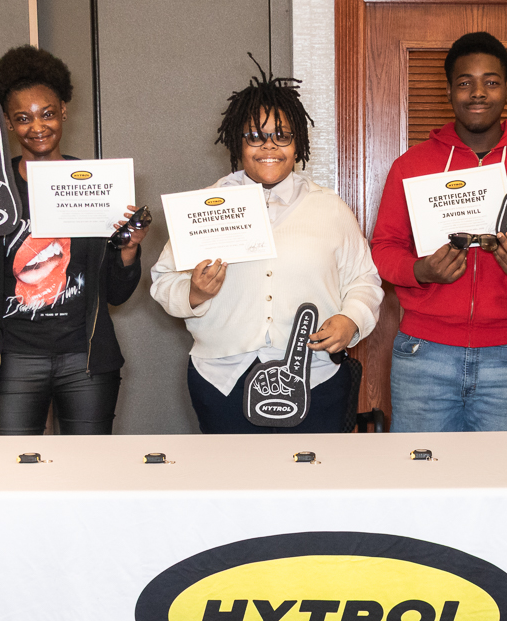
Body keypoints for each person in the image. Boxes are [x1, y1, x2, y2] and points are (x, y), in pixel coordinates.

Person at [150, 63, 382, 434]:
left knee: (310, 485)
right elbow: (162, 282)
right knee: (233, 486)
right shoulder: (205, 206)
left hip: (314, 378)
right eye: (255, 136)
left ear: (298, 143)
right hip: (222, 380)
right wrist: (193, 292)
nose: (269, 146)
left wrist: (350, 318)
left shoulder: (330, 208)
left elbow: (364, 280)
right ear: (237, 142)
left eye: (282, 136)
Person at [370, 32, 507, 432]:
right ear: (449, 90)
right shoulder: (411, 166)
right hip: (425, 353)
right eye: (465, 82)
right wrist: (421, 272)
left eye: (491, 81)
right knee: (419, 478)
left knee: (501, 483)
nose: (478, 93)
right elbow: (383, 248)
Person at [0, 46, 147, 435]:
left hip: (86, 360)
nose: (37, 126)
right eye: (23, 118)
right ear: (7, 123)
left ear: (64, 112)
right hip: (14, 359)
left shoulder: (97, 184)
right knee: (13, 477)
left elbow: (117, 294)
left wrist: (128, 249)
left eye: (47, 114)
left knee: (89, 477)